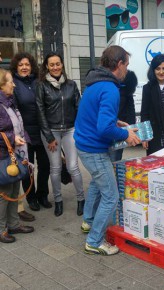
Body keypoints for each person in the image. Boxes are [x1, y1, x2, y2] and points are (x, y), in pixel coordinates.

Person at [74, 45, 141, 255]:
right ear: (119, 64)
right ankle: (94, 241)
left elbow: (97, 117)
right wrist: (126, 135)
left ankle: (88, 221)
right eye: (127, 65)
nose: (127, 71)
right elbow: (103, 128)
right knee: (111, 195)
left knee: (97, 182)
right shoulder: (111, 89)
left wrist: (117, 123)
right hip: (93, 150)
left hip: (84, 146)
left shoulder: (95, 82)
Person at [36, 52, 85, 217]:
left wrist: (80, 129)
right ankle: (58, 201)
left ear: (62, 65)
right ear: (47, 67)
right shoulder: (41, 85)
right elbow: (40, 112)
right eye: (52, 64)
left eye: (58, 64)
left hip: (70, 129)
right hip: (51, 132)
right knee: (55, 167)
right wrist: (48, 136)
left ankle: (81, 200)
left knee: (73, 167)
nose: (55, 67)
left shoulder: (71, 85)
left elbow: (79, 108)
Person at [10, 52, 51, 213]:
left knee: (45, 165)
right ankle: (31, 197)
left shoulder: (38, 81)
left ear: (31, 66)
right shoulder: (13, 84)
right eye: (21, 65)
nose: (24, 67)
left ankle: (43, 195)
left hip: (42, 131)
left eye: (27, 64)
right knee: (27, 168)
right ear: (16, 67)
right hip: (24, 133)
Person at [0, 68, 34, 243]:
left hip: (12, 154)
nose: (13, 84)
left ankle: (13, 224)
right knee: (4, 194)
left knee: (13, 190)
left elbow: (18, 126)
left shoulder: (9, 101)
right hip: (2, 156)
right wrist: (14, 138)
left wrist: (24, 140)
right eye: (9, 81)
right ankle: (1, 229)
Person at [109, 69, 137, 162]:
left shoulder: (123, 91)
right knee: (114, 158)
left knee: (115, 157)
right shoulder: (115, 90)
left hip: (119, 127)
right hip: (114, 127)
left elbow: (130, 109)